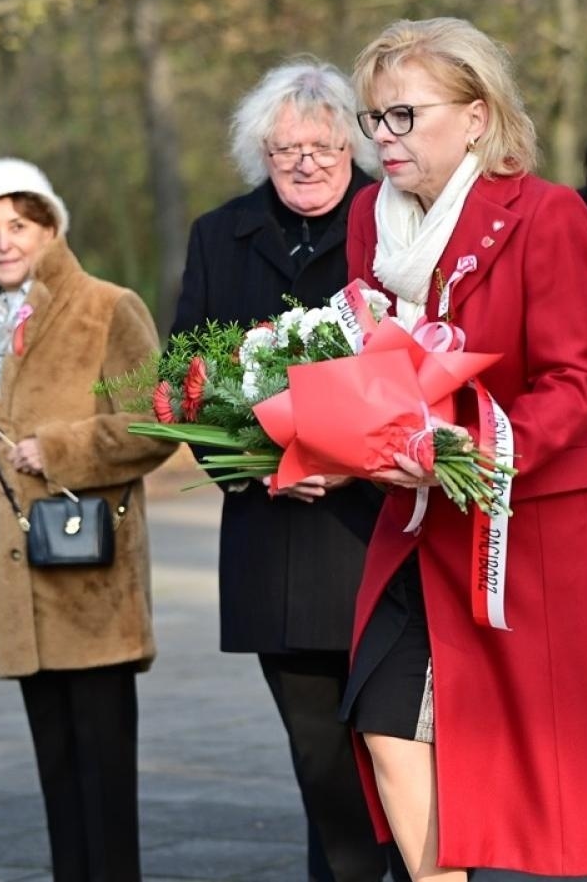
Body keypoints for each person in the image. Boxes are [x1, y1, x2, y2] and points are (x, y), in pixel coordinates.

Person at [339, 17, 587, 880]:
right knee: (385, 722)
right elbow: (362, 364)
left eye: (404, 115)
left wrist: (468, 445)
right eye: (374, 118)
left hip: (536, 530)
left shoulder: (547, 214)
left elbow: (578, 385)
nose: (384, 137)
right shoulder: (366, 219)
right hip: (419, 530)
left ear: (477, 115)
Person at [170, 59, 405, 882]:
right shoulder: (217, 233)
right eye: (284, 149)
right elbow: (185, 384)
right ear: (258, 152)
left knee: (401, 750)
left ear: (356, 148)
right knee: (320, 763)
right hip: (280, 545)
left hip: (381, 532)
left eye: (322, 146)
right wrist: (259, 465)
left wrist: (357, 456)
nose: (304, 162)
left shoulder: (395, 223)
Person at [0, 158, 172, 881]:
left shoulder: (109, 304)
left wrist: (64, 448)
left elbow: (158, 424)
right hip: (19, 585)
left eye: (18, 224)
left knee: (106, 787)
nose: (3, 242)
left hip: (92, 581)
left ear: (50, 226)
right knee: (56, 780)